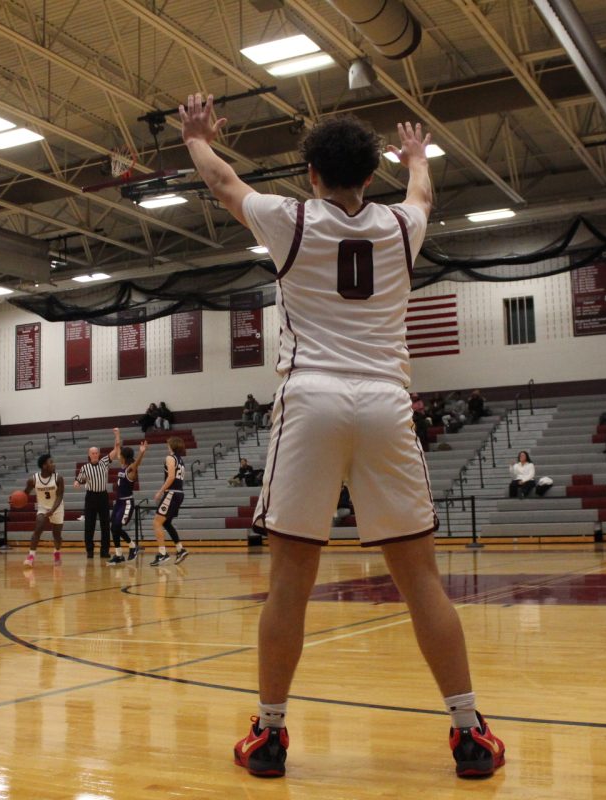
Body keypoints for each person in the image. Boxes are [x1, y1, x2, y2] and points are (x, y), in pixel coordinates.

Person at [181, 96, 503, 779]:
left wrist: (197, 137)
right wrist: (416, 157)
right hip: (387, 401)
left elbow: (221, 181)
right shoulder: (400, 226)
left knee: (288, 585)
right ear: (368, 174)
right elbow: (421, 192)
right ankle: (468, 728)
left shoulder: (288, 218)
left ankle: (269, 734)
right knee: (421, 581)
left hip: (312, 401)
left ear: (310, 176)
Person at [108, 432, 148, 565]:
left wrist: (142, 453)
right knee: (113, 528)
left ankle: (132, 546)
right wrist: (118, 435)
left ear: (125, 458)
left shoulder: (131, 470)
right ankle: (119, 555)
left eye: (121, 456)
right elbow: (118, 449)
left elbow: (137, 464)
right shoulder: (123, 465)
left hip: (126, 503)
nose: (119, 457)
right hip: (119, 502)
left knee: (117, 527)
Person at [150, 435, 188, 566]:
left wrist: (161, 491)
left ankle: (162, 553)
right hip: (179, 493)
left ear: (172, 445)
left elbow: (171, 477)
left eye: (168, 444)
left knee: (156, 522)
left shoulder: (170, 458)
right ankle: (180, 549)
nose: (167, 446)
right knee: (166, 523)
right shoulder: (181, 460)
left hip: (172, 493)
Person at [23, 453, 66, 567]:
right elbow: (25, 493)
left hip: (57, 507)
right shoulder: (33, 480)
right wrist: (15, 500)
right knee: (38, 528)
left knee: (57, 535)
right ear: (44, 466)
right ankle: (31, 556)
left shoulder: (58, 478)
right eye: (51, 462)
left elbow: (60, 496)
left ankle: (57, 552)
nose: (54, 464)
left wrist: (52, 510)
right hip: (42, 507)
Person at [74, 439, 114, 559]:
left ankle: (105, 551)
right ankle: (90, 551)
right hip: (91, 497)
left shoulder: (104, 462)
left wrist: (116, 436)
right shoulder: (85, 467)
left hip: (103, 496)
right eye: (93, 453)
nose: (95, 455)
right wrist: (76, 482)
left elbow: (116, 451)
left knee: (105, 525)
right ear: (89, 455)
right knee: (89, 525)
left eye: (96, 453)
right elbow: (79, 479)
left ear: (99, 454)